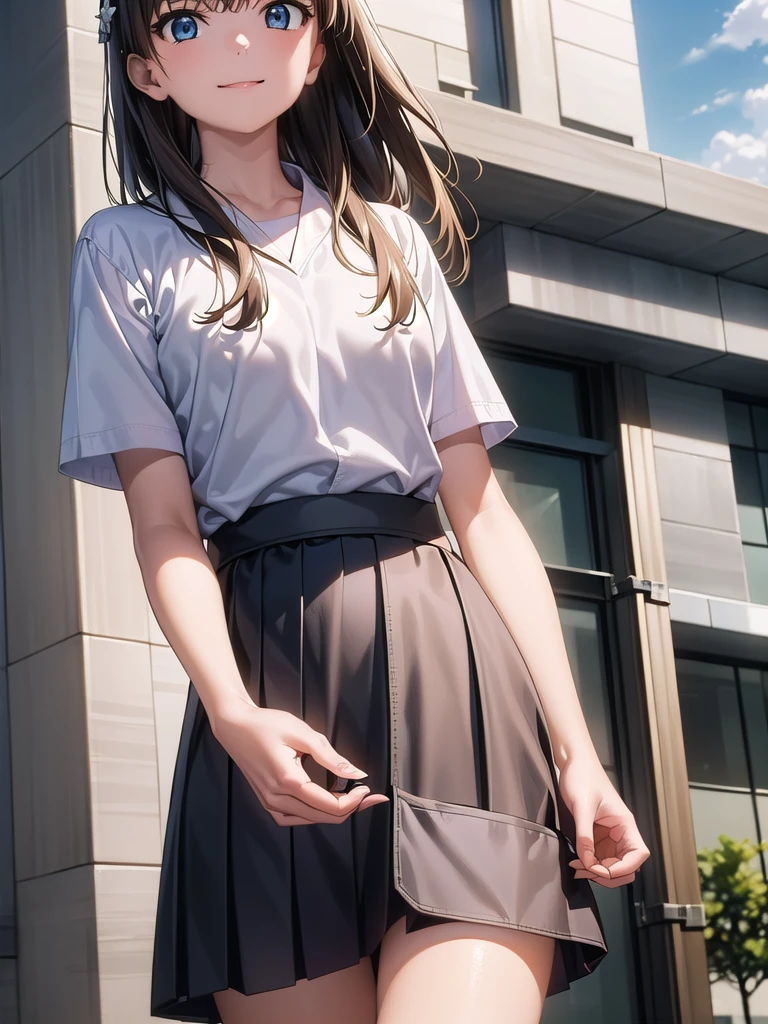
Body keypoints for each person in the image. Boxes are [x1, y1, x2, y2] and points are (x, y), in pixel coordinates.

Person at [58, 1, 650, 1021]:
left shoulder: (394, 243)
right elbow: (163, 522)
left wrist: (577, 752)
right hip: (269, 686)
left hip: (452, 674)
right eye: (193, 21)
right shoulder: (123, 251)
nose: (242, 43)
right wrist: (234, 713)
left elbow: (484, 515)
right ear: (149, 70)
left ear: (317, 42)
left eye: (275, 11)